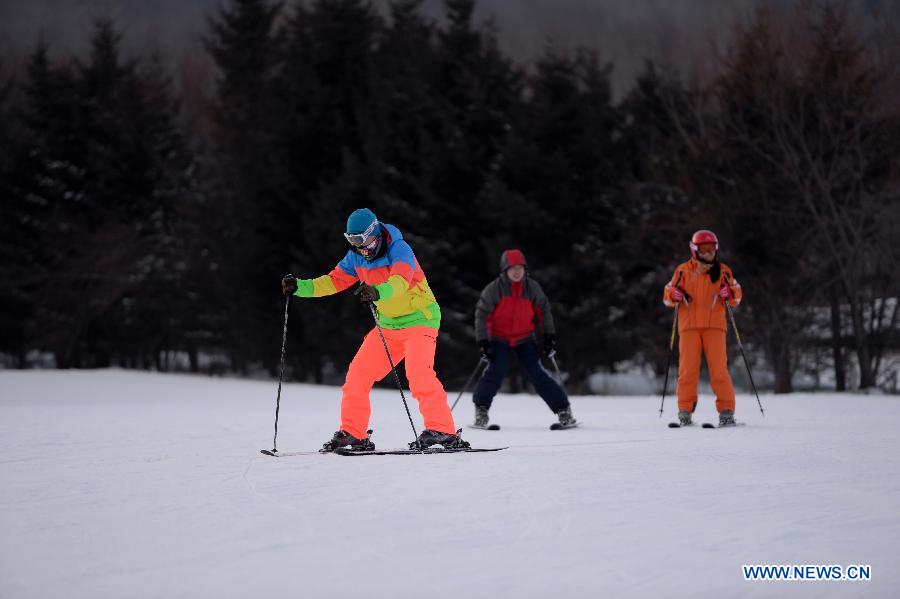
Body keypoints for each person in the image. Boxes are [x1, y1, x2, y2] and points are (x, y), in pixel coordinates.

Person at [281, 208, 468, 451]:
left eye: (360, 240)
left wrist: (378, 291)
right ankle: (353, 432)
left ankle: (443, 430)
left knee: (419, 374)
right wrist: (300, 287)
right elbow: (333, 281)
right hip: (388, 325)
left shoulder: (399, 249)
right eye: (352, 240)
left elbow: (400, 282)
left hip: (420, 319)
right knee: (358, 374)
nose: (358, 246)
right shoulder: (356, 257)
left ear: (374, 233)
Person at [472, 249, 576, 429]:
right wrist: (483, 341)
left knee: (536, 372)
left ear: (525, 269)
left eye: (520, 267)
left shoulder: (532, 288)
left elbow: (543, 311)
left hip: (524, 338)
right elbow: (482, 315)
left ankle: (563, 410)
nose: (516, 271)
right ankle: (481, 410)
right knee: (496, 371)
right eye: (512, 268)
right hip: (499, 338)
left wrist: (549, 336)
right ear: (504, 270)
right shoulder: (494, 289)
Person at [663, 229, 743, 427]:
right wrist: (672, 295)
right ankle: (684, 411)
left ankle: (726, 412)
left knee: (719, 370)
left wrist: (730, 293)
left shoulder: (723, 271)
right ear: (694, 250)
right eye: (704, 249)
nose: (709, 253)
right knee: (687, 370)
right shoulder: (682, 271)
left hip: (714, 327)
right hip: (689, 327)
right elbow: (667, 295)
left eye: (712, 249)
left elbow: (737, 294)